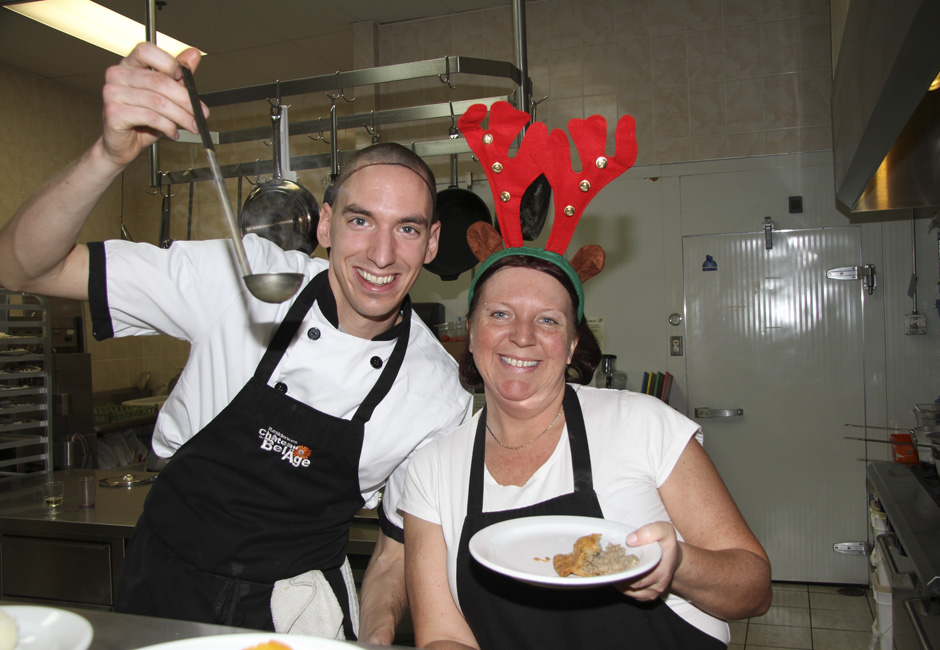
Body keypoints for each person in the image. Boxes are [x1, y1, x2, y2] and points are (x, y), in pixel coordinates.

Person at [0, 43, 472, 642]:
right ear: (325, 224)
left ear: (431, 244)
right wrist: (107, 156)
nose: (382, 255)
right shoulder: (238, 278)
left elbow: (396, 547)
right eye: (361, 220)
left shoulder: (437, 394)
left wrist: (374, 636)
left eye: (406, 228)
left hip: (293, 612)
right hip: (162, 586)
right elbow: (23, 268)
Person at [398, 102, 772, 649]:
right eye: (499, 314)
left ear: (573, 342)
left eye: (548, 320)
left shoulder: (642, 425)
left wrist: (679, 565)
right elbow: (443, 636)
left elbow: (753, 588)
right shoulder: (433, 469)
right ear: (471, 332)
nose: (522, 336)